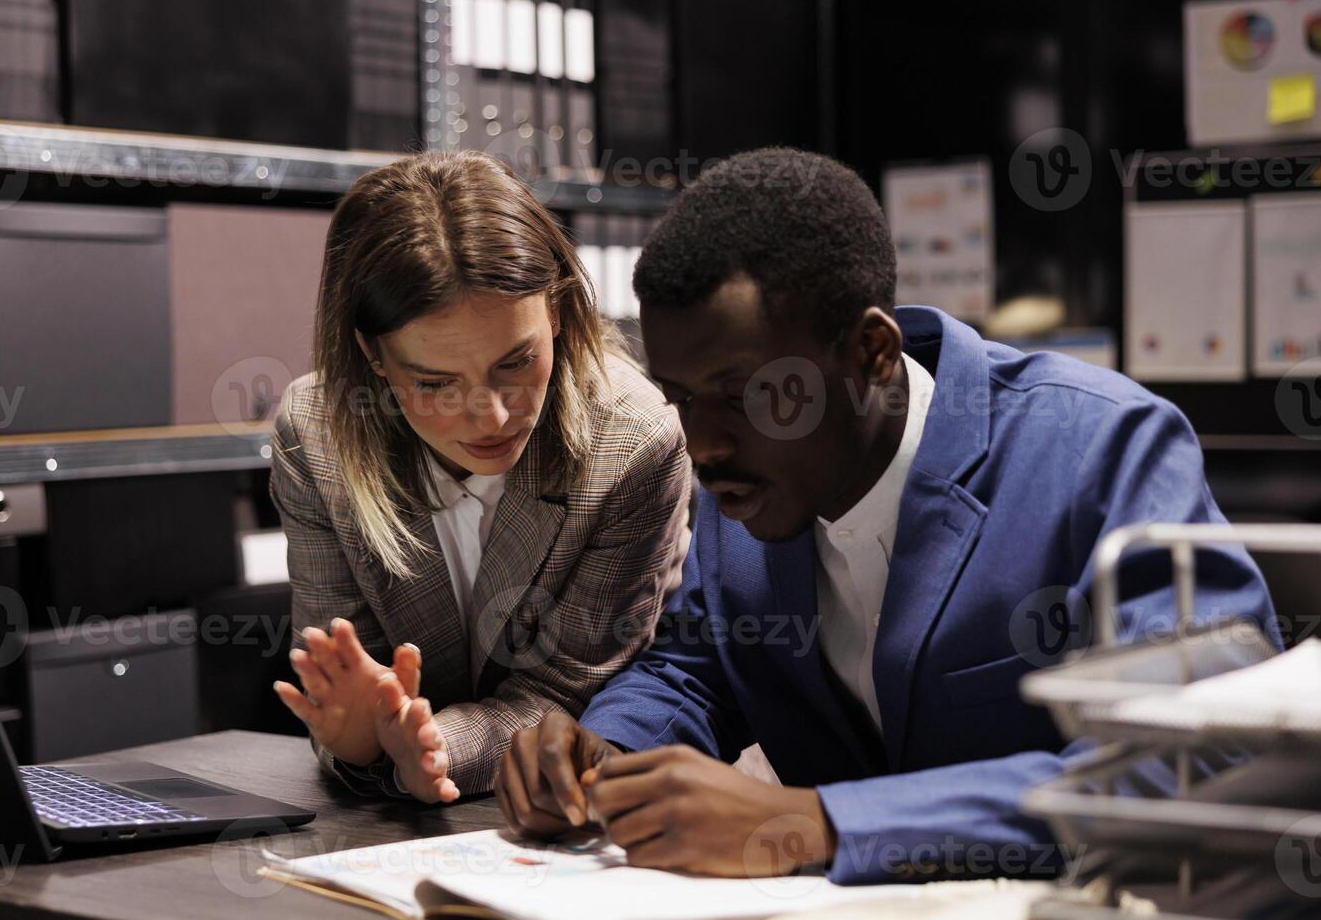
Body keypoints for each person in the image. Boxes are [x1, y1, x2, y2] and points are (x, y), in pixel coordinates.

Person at [495, 148, 1277, 882]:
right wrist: (606, 747)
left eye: (742, 394)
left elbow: (1198, 753)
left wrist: (822, 823)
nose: (701, 442)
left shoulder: (1101, 448)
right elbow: (696, 670)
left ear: (872, 354)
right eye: (680, 397)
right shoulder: (748, 473)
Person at [270, 151, 692, 802]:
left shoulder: (633, 444)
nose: (492, 415)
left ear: (556, 311)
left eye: (516, 363)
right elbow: (345, 685)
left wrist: (434, 747)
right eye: (435, 383)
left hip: (584, 804)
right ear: (371, 354)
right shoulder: (317, 434)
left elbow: (566, 696)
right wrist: (359, 740)